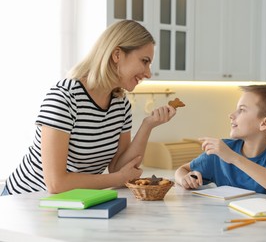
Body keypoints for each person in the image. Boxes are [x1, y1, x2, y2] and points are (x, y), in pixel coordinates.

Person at [2, 20, 177, 196]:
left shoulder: (121, 105)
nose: (148, 73)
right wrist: (119, 178)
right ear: (117, 54)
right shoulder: (64, 97)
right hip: (23, 202)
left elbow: (119, 167)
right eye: (144, 61)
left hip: (69, 203)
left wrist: (148, 125)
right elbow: (56, 183)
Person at [175, 85, 266, 197]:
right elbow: (182, 170)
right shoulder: (222, 151)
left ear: (264, 123)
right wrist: (184, 179)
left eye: (242, 110)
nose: (231, 115)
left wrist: (234, 158)